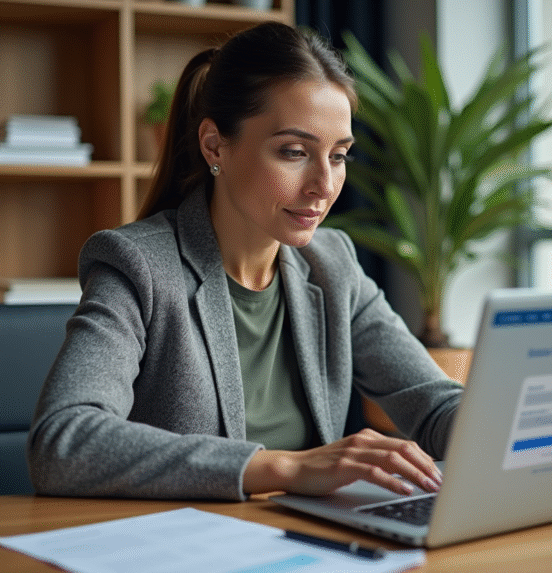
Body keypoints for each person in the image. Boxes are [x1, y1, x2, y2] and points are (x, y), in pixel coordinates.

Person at [27, 22, 463, 501]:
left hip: (305, 536)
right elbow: (62, 441)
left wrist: (514, 432)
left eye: (339, 156)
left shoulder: (332, 265)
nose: (323, 185)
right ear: (215, 145)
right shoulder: (138, 266)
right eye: (294, 152)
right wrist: (286, 467)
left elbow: (435, 405)